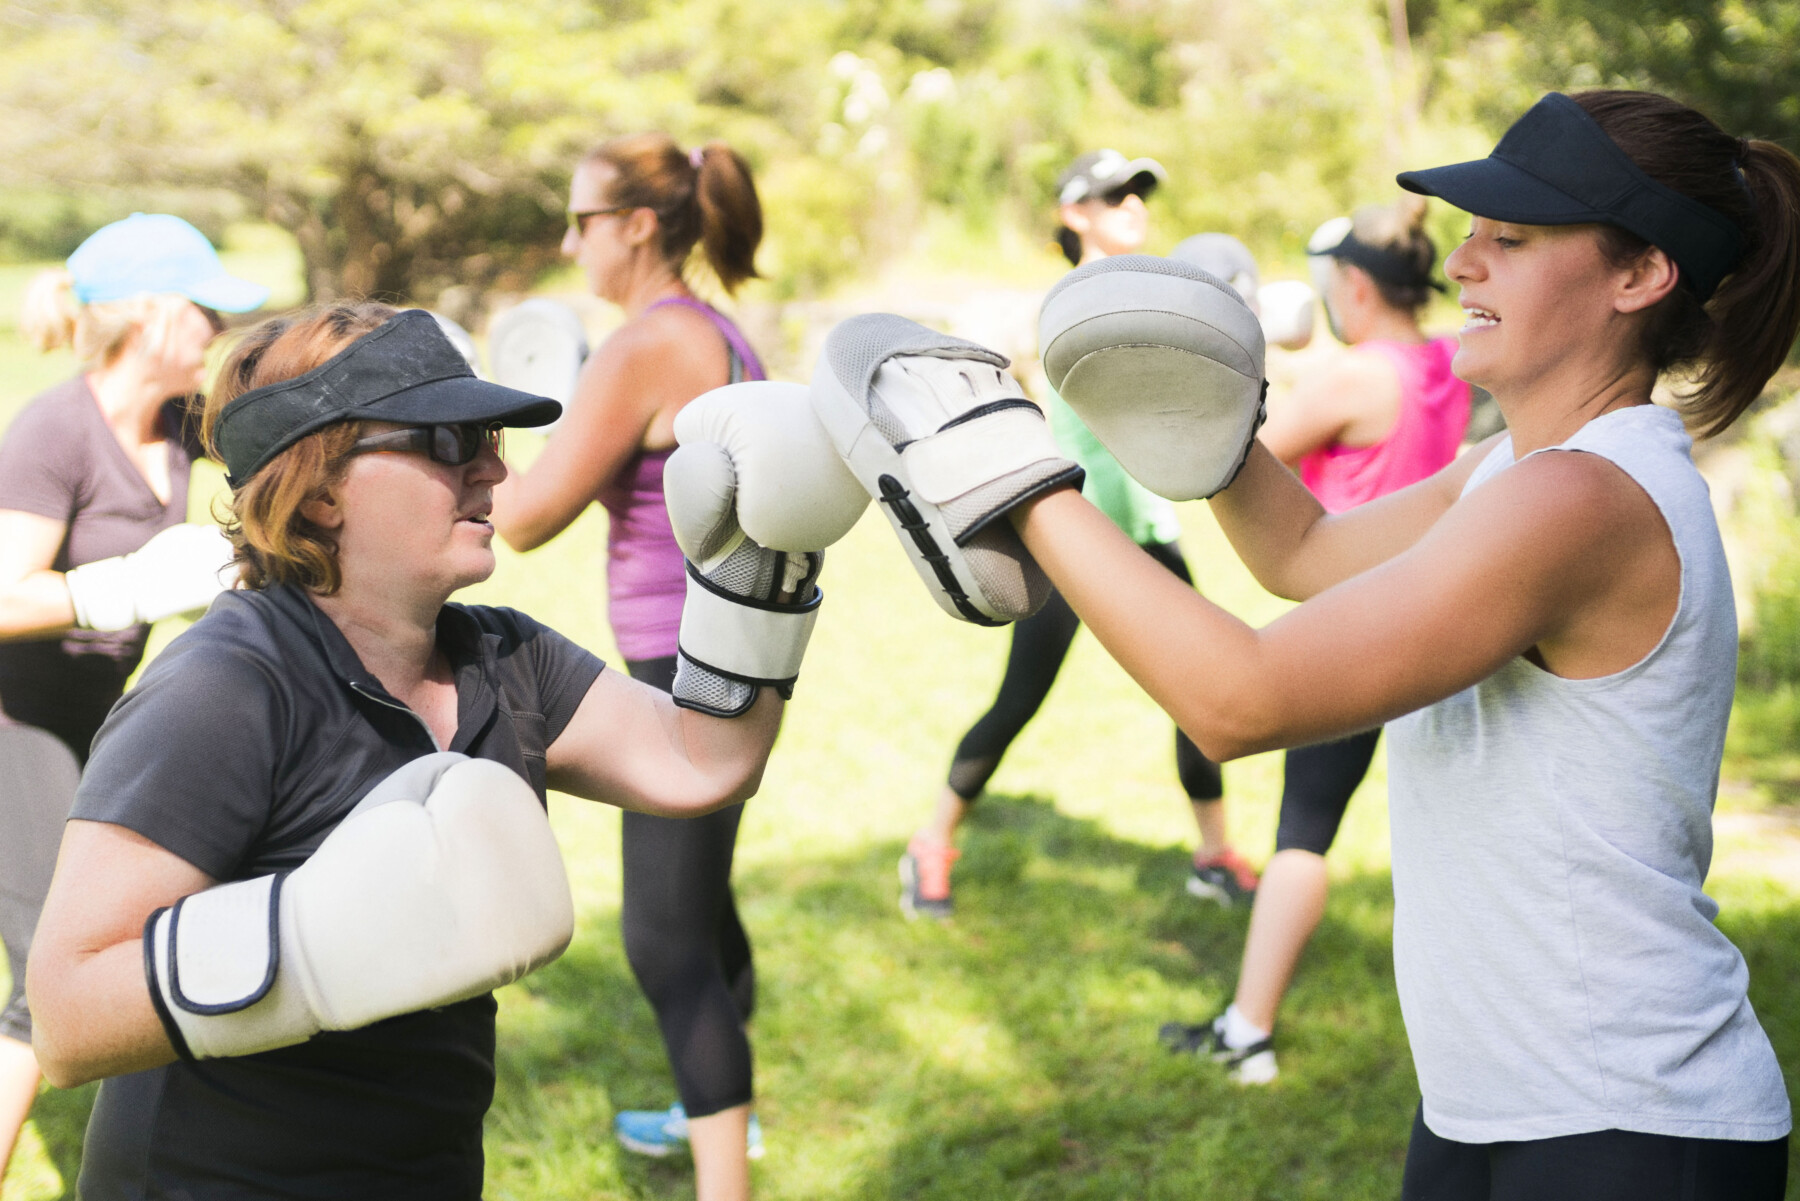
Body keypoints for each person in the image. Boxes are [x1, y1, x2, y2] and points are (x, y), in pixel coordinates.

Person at [830, 88, 1797, 1198]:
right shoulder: (1515, 471)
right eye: (1475, 232)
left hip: (1629, 1126)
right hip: (1496, 1099)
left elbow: (1241, 702)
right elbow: (1302, 551)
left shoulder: (1584, 499)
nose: (1465, 265)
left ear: (1641, 275)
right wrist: (1213, 411)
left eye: (1512, 238)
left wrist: (1016, 472)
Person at [26, 302, 850, 1200]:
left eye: (489, 435)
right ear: (320, 486)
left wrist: (760, 561)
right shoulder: (222, 690)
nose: (496, 467)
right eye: (450, 439)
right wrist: (305, 948)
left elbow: (707, 760)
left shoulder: (503, 658)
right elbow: (67, 1017)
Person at [487, 133, 772, 1187]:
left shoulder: (649, 342)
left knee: (662, 940)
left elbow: (523, 517)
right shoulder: (720, 331)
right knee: (704, 909)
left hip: (680, 674)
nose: (571, 243)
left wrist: (471, 435)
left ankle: (723, 1169)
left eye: (584, 221)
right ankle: (719, 1121)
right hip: (735, 657)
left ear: (639, 225)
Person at [899, 149, 1255, 921]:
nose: (1133, 202)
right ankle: (930, 843)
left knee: (1202, 698)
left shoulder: (1150, 293)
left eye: (1138, 190)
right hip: (1076, 542)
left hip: (1150, 533)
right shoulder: (1066, 306)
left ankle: (1214, 854)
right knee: (1018, 701)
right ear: (1075, 213)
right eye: (1113, 193)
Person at [1166, 198, 1472, 1083]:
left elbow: (1237, 455)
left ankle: (1248, 1030)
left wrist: (1243, 355)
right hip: (1437, 607)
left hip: (1354, 621)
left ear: (1357, 285)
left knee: (1302, 832)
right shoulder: (1447, 359)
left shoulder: (1350, 378)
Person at [0, 213, 265, 1183]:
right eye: (204, 312)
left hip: (104, 718)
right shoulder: (54, 431)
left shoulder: (183, 423)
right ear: (153, 318)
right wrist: (122, 587)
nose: (216, 331)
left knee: (143, 935)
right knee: (45, 970)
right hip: (14, 721)